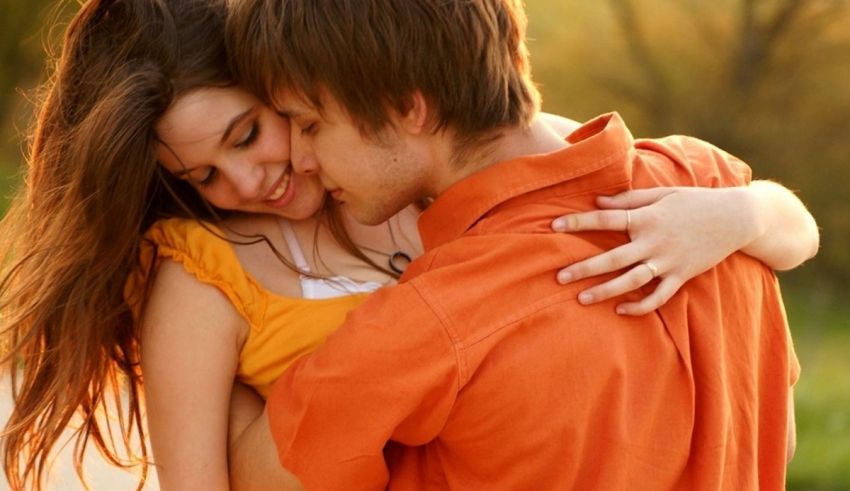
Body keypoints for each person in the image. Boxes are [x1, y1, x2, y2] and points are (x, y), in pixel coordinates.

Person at [0, 0, 815, 490]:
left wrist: (222, 339)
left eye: (293, 125)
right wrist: (748, 207)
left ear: (405, 105)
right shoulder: (698, 180)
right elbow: (774, 433)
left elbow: (256, 474)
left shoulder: (425, 322)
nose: (264, 175)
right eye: (203, 176)